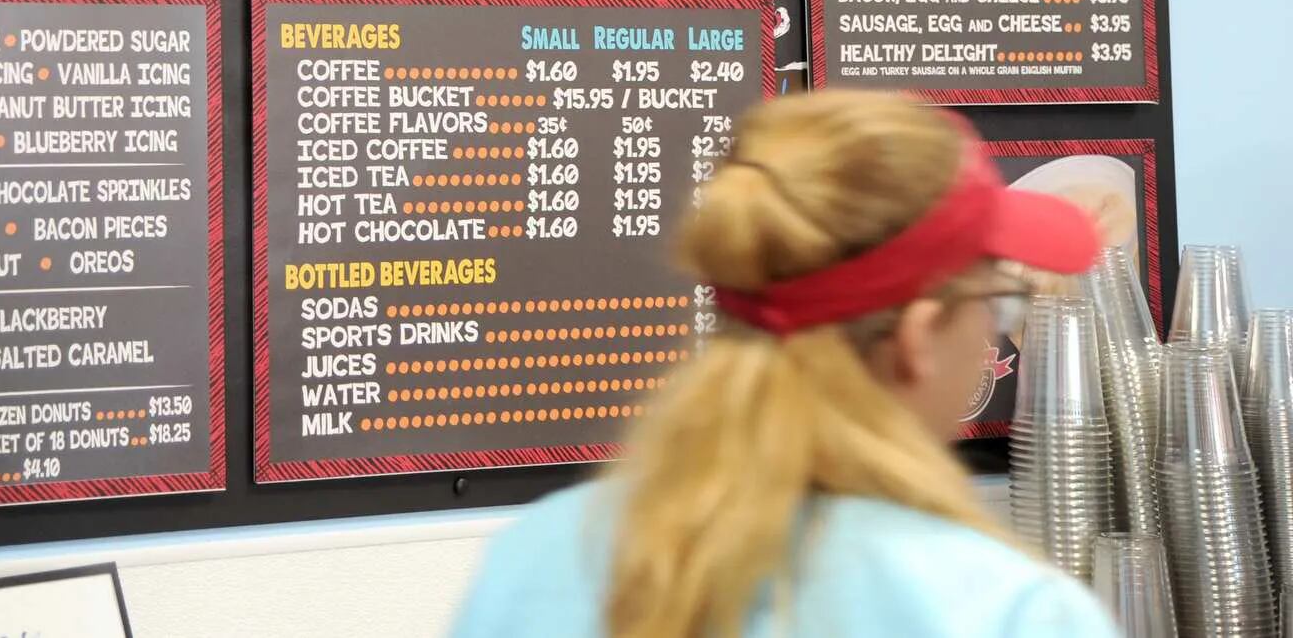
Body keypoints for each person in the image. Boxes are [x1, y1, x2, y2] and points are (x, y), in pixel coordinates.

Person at [449, 91, 1119, 638]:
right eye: (994, 300)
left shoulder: (535, 558)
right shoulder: (1008, 612)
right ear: (917, 336)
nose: (992, 329)